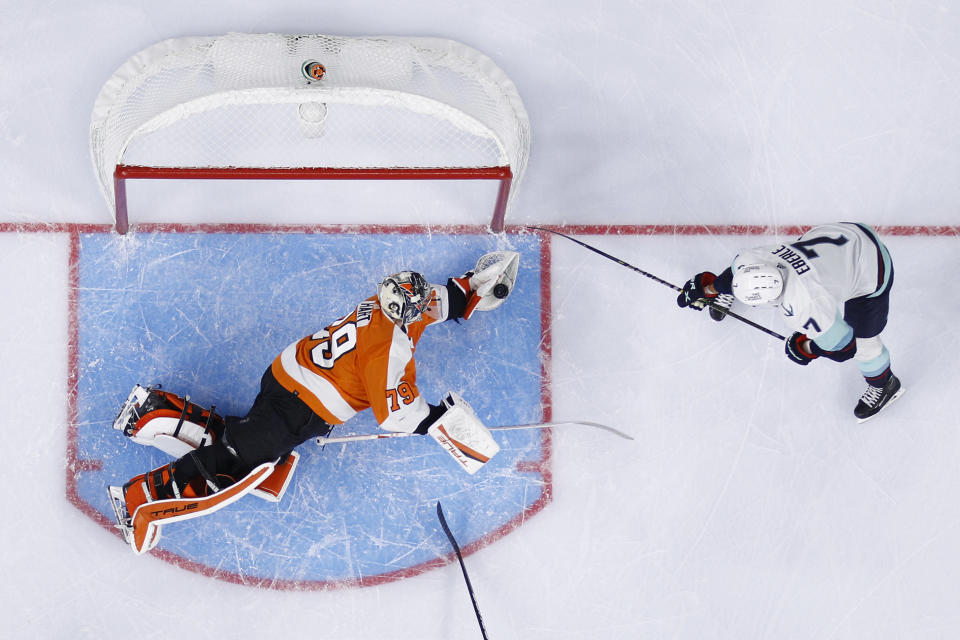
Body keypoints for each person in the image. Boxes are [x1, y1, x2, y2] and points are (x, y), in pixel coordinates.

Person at [108, 252, 519, 554]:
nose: (425, 306)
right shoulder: (389, 349)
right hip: (300, 408)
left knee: (247, 435)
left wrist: (475, 288)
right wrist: (437, 420)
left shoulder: (385, 302)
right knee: (237, 458)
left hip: (285, 374)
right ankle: (137, 498)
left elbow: (437, 300)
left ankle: (156, 409)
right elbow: (395, 414)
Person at [676, 222, 902, 422]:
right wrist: (708, 288)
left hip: (871, 267)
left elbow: (844, 347)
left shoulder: (806, 305)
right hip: (844, 233)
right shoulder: (755, 260)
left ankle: (885, 385)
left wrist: (806, 347)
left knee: (864, 341)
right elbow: (734, 274)